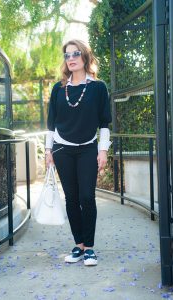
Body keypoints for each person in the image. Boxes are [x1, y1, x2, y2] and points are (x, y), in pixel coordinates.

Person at [45, 39, 112, 266]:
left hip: (87, 149)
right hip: (62, 149)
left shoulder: (98, 88)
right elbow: (51, 124)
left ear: (85, 57)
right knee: (72, 199)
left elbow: (104, 123)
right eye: (67, 55)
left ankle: (90, 248)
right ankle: (79, 245)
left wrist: (102, 151)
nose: (70, 59)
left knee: (87, 196)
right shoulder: (58, 89)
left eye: (75, 54)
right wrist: (48, 150)